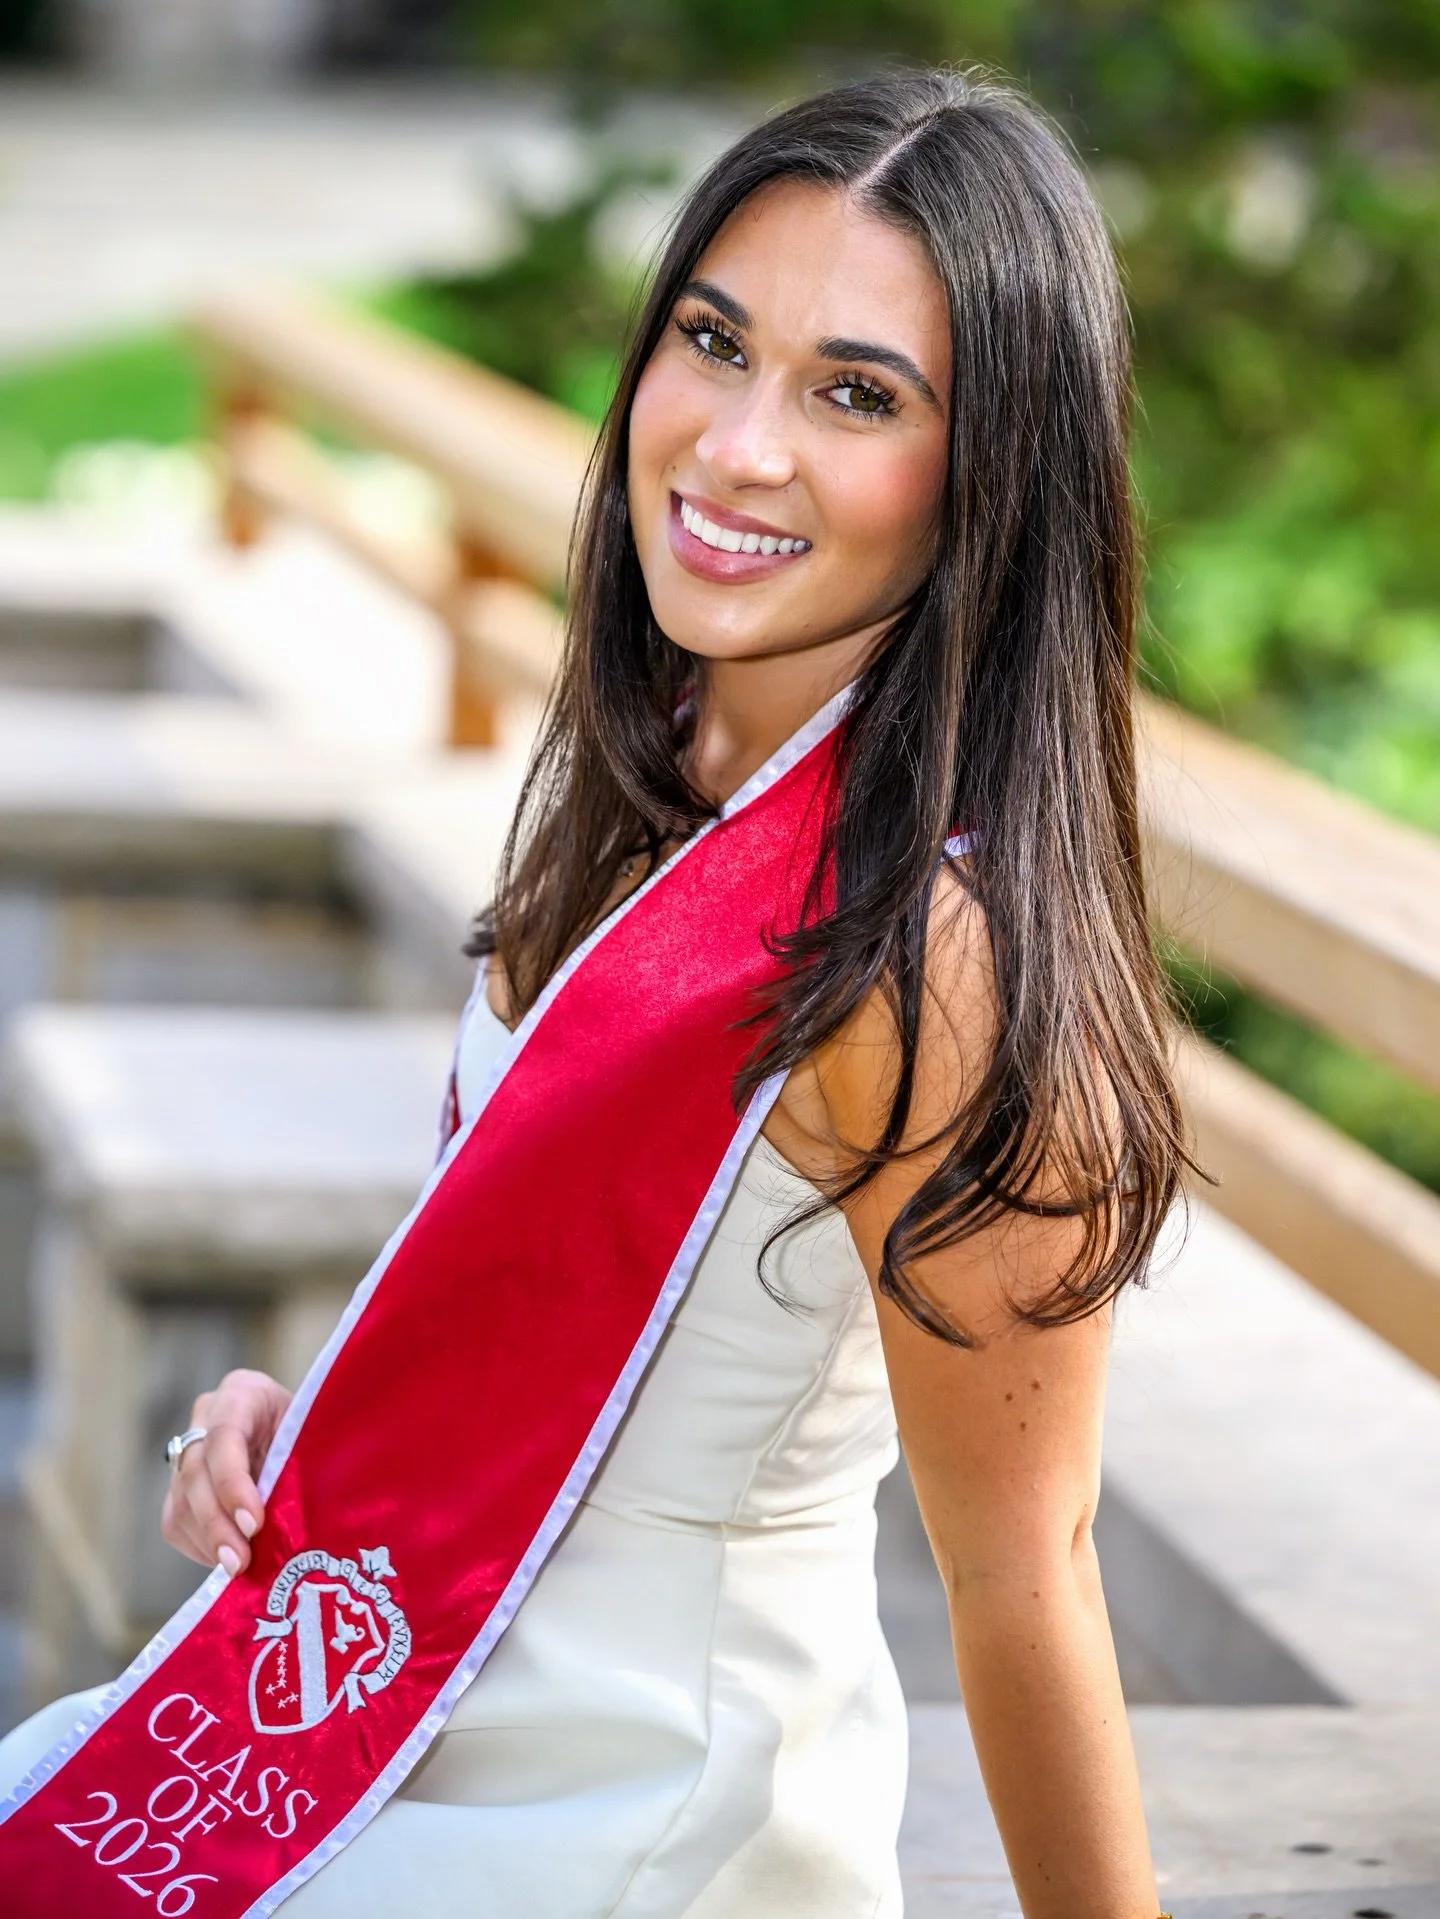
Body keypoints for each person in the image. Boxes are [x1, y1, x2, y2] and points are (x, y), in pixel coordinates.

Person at [0, 68, 1186, 1919]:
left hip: (641, 1805)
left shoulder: (928, 965)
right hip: (416, 1683)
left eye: (855, 395)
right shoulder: (651, 768)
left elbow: (1027, 1577)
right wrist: (313, 1425)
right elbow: (581, 1306)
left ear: (993, 473)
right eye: (712, 344)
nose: (733, 448)